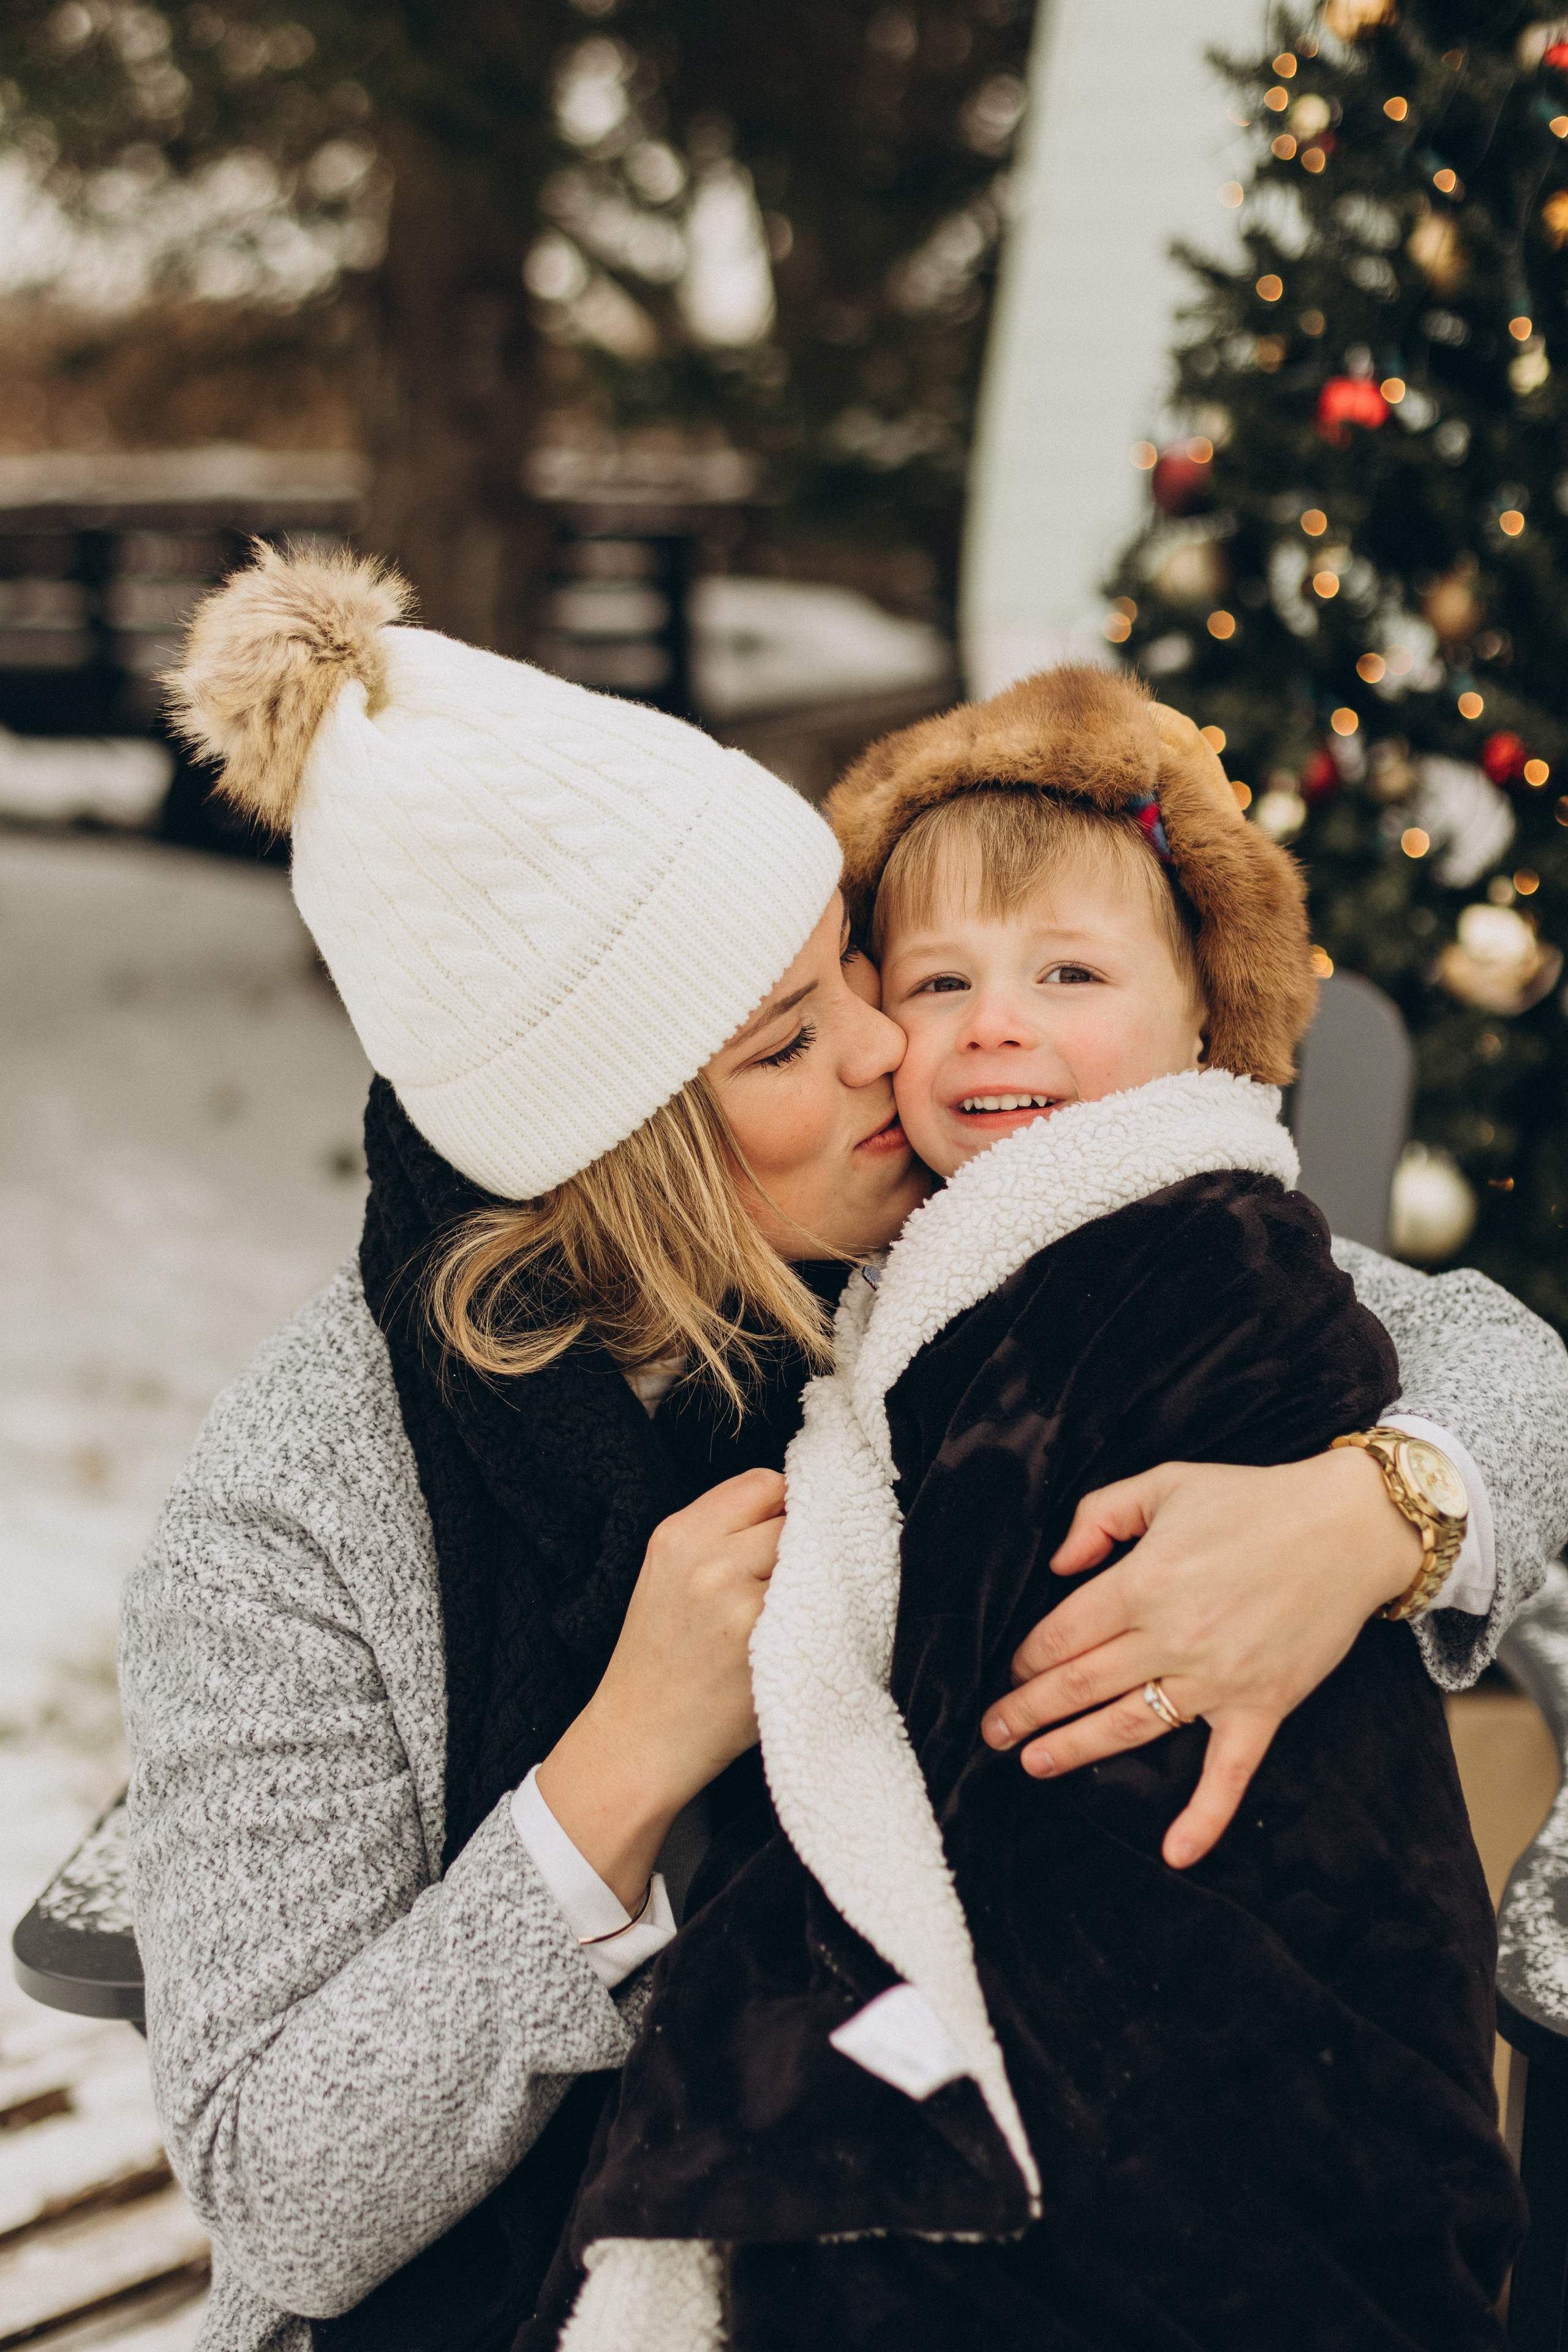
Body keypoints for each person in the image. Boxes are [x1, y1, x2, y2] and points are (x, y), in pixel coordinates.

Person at [119, 550, 1568, 2352]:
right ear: (626, 1159)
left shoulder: (941, 1241)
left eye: (853, 966)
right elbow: (273, 2191)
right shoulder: (299, 1518)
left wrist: (1370, 1516)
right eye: (799, 1037)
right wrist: (614, 1777)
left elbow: (1495, 1357)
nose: (906, 1043)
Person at [546, 665, 1523, 2350]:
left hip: (1223, 2002)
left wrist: (1388, 1505)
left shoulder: (1197, 1261)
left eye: (1069, 973)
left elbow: (1486, 1355)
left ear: (1207, 1024)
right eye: (941, 981)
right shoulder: (923, 1284)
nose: (999, 1021)